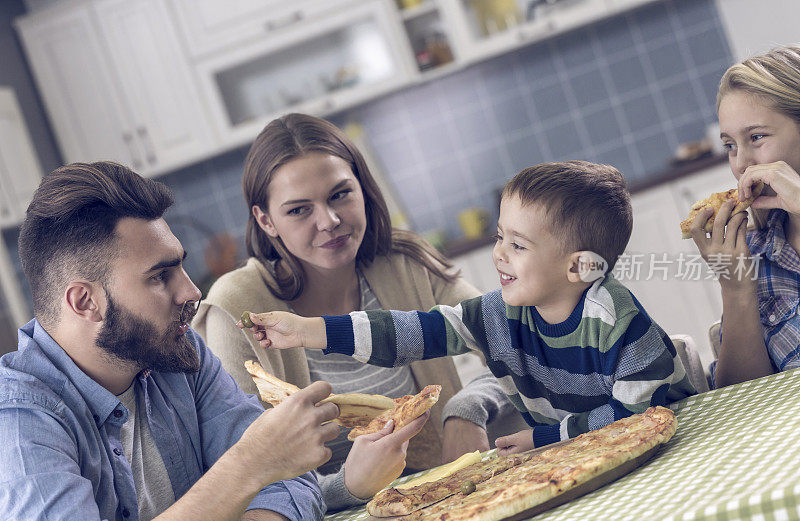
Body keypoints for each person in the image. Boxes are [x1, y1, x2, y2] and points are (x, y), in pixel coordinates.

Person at [238, 161, 697, 454]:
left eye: (517, 244)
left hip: (678, 444)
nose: (499, 254)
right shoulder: (499, 315)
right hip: (592, 453)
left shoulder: (615, 318)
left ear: (578, 268)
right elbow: (409, 333)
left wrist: (541, 438)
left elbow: (637, 416)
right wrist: (307, 330)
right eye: (500, 236)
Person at [192, 114, 516, 510]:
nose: (328, 221)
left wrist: (465, 411)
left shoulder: (403, 263)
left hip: (448, 499)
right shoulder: (235, 306)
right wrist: (349, 484)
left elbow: (515, 337)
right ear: (265, 220)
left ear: (363, 189)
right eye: (298, 210)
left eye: (340, 195)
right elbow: (246, 476)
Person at [0, 162, 337, 521]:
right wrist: (249, 463)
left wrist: (261, 470)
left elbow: (292, 484)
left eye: (181, 268)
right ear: (84, 302)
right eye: (160, 276)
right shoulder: (18, 420)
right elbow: (266, 464)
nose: (192, 292)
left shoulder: (175, 351)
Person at [689, 45, 800, 387]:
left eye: (756, 137)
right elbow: (738, 398)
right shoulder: (754, 251)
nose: (740, 163)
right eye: (730, 145)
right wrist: (735, 286)